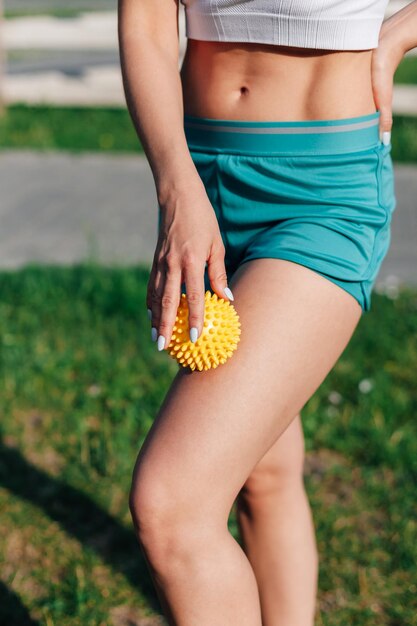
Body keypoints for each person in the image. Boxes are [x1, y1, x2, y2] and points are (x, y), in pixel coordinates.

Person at [118, 1, 416, 624]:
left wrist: (393, 40)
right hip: (198, 181)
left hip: (325, 196)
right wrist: (177, 190)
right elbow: (146, 22)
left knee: (174, 505)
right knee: (264, 473)